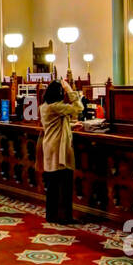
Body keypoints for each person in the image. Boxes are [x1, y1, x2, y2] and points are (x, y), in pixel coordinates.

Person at [40, 78, 82, 224]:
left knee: (52, 185)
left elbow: (56, 124)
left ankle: (52, 215)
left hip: (50, 146)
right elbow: (79, 108)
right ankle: (65, 216)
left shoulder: (45, 106)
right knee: (65, 184)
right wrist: (70, 89)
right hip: (59, 149)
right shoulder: (56, 107)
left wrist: (70, 126)